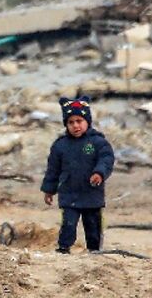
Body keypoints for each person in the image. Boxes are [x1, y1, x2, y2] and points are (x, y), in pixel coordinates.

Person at [41, 96, 115, 254]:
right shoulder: (60, 145)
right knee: (68, 224)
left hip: (91, 193)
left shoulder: (97, 142)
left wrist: (99, 173)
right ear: (66, 124)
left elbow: (106, 159)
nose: (75, 125)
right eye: (71, 122)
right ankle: (64, 248)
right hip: (69, 194)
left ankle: (94, 250)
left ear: (87, 121)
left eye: (79, 121)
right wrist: (49, 189)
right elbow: (53, 169)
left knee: (93, 225)